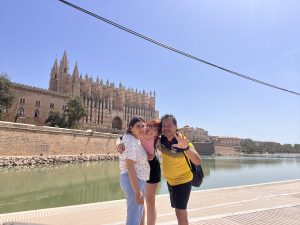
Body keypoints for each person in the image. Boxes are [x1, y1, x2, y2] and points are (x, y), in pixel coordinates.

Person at [158, 114, 201, 225]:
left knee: (180, 213)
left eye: (169, 125)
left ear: (176, 126)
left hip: (183, 181)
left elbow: (197, 161)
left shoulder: (182, 140)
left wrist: (185, 147)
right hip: (170, 182)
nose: (166, 128)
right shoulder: (161, 140)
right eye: (164, 125)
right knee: (178, 210)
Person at [118, 119, 162, 225]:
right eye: (150, 126)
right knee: (139, 202)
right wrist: (118, 144)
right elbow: (121, 138)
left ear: (157, 133)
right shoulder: (138, 134)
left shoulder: (157, 139)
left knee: (149, 201)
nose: (151, 130)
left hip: (152, 167)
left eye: (156, 129)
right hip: (137, 167)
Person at [119, 117, 150, 225]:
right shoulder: (131, 140)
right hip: (133, 180)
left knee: (138, 212)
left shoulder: (134, 139)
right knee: (134, 215)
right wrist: (137, 191)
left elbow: (119, 138)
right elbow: (130, 166)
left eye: (143, 126)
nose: (141, 128)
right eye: (138, 126)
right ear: (131, 128)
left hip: (137, 179)